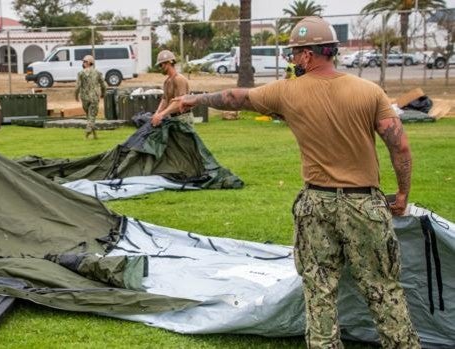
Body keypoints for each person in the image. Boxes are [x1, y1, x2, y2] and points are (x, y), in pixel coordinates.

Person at [156, 17, 420, 349]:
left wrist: (195, 100)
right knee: (383, 289)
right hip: (364, 205)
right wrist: (402, 193)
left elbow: (236, 98)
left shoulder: (287, 92)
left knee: (319, 291)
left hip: (315, 206)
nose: (293, 61)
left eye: (295, 54)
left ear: (308, 55)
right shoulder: (369, 92)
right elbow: (400, 145)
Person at [151, 50, 193, 126]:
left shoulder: (179, 79)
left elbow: (180, 102)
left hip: (182, 119)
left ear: (168, 63)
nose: (160, 68)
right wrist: (157, 113)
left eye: (161, 65)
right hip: (171, 118)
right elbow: (164, 100)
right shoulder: (167, 81)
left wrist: (162, 114)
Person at [75, 55, 106, 139]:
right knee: (91, 116)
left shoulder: (80, 73)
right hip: (94, 97)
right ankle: (88, 131)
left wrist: (76, 96)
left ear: (89, 62)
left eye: (85, 61)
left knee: (89, 116)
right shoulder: (97, 73)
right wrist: (103, 93)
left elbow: (77, 86)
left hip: (84, 98)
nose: (83, 63)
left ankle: (94, 135)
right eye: (83, 61)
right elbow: (104, 85)